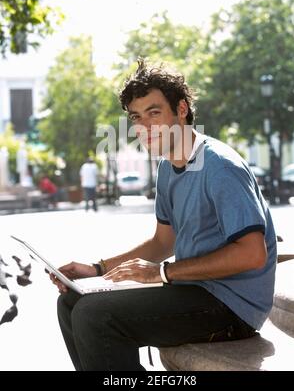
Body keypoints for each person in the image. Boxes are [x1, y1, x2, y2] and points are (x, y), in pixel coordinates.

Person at [52, 59, 277, 371]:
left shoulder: (220, 166)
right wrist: (96, 269)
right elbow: (162, 242)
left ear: (181, 110)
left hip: (232, 307)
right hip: (193, 291)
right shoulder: (168, 167)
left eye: (154, 113)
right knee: (71, 302)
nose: (145, 127)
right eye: (136, 117)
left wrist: (162, 274)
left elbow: (253, 254)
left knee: (95, 315)